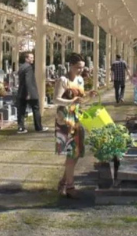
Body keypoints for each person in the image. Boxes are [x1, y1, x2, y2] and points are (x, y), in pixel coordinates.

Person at [54, 53, 94, 198]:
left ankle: (64, 182)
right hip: (65, 119)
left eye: (82, 68)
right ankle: (70, 186)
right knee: (72, 153)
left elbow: (80, 100)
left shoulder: (80, 80)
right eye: (78, 67)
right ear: (70, 66)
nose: (80, 70)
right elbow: (56, 100)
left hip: (76, 117)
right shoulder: (63, 80)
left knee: (77, 153)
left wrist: (89, 95)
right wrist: (71, 101)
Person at [15, 52, 43, 134]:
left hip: (21, 92)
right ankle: (38, 127)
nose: (33, 59)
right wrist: (29, 93)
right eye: (31, 57)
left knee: (21, 111)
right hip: (30, 93)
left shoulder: (21, 67)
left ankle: (21, 128)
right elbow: (28, 81)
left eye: (33, 57)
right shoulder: (29, 68)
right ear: (26, 59)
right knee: (36, 109)